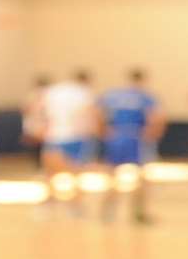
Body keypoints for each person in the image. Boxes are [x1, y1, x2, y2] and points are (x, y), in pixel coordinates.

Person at [97, 67, 164, 224]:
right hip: (135, 137)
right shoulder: (145, 97)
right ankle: (139, 214)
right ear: (142, 80)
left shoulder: (113, 95)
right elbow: (157, 118)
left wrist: (103, 131)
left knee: (113, 174)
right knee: (141, 176)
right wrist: (151, 133)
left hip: (116, 137)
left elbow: (96, 112)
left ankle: (106, 212)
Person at [38, 69, 97, 216]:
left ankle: (49, 200)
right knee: (76, 170)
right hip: (75, 136)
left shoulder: (54, 91)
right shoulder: (84, 93)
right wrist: (93, 129)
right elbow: (91, 113)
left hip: (54, 134)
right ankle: (76, 203)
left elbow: (39, 109)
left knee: (50, 170)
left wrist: (40, 128)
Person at [19, 75, 50, 173]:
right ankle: (40, 166)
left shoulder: (48, 95)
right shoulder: (33, 95)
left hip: (42, 123)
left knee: (43, 146)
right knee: (38, 146)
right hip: (37, 123)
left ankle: (42, 165)